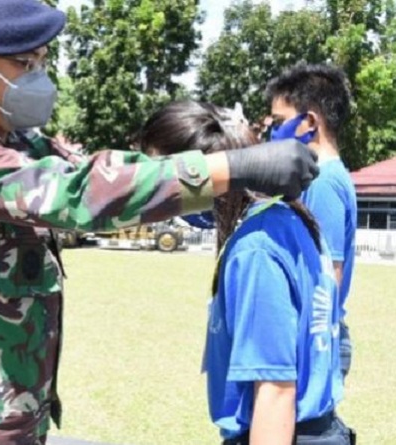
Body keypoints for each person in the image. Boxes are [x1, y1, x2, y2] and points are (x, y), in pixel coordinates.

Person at [0, 0, 319, 442]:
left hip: (10, 415)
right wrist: (231, 167)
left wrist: (207, 170)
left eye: (42, 62)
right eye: (25, 64)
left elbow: (103, 170)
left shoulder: (18, 139)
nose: (40, 76)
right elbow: (78, 193)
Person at [139, 101, 353, 445]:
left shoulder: (256, 247)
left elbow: (276, 390)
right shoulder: (285, 219)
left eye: (164, 179)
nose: (158, 194)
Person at [267, 63, 357, 378]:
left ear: (309, 122)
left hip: (314, 342)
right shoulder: (318, 177)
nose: (272, 133)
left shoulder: (322, 182)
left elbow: (325, 278)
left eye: (278, 122)